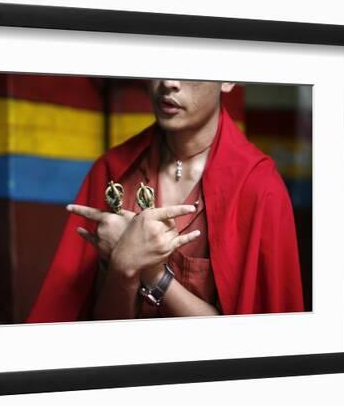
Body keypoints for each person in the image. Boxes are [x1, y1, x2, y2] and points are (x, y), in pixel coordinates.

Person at [26, 79, 304, 323]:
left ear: (228, 80)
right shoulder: (113, 170)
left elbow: (251, 343)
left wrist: (149, 269)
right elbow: (97, 329)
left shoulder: (258, 186)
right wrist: (121, 270)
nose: (169, 82)